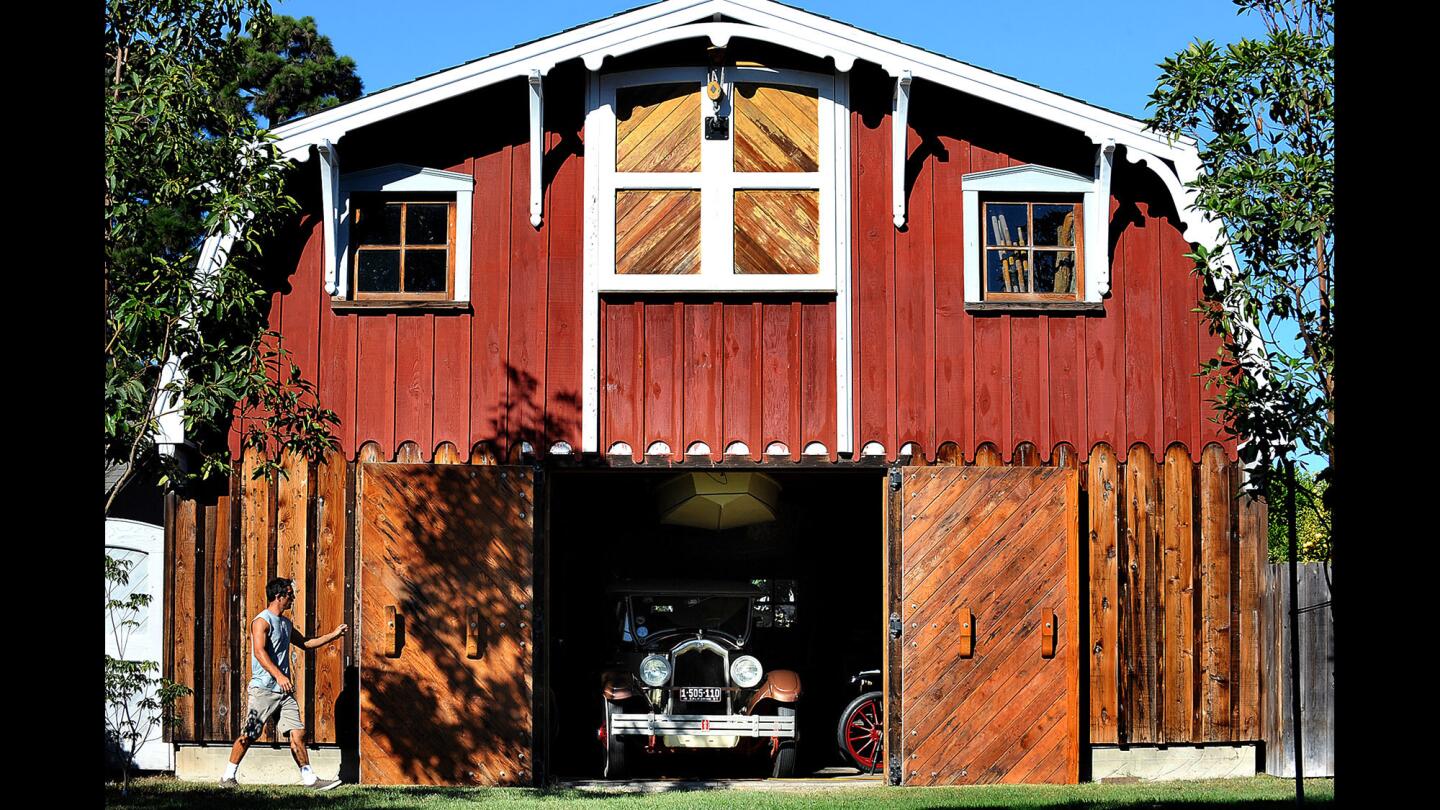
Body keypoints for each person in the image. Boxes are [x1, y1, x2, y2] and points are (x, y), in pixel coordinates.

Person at [219, 577, 349, 789]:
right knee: (250, 734)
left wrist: (333, 635)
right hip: (263, 688)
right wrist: (279, 675)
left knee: (298, 732)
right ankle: (227, 777)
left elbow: (306, 643)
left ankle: (310, 779)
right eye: (290, 594)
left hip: (284, 692)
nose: (293, 598)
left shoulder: (286, 624)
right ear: (278, 596)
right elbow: (260, 653)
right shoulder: (262, 621)